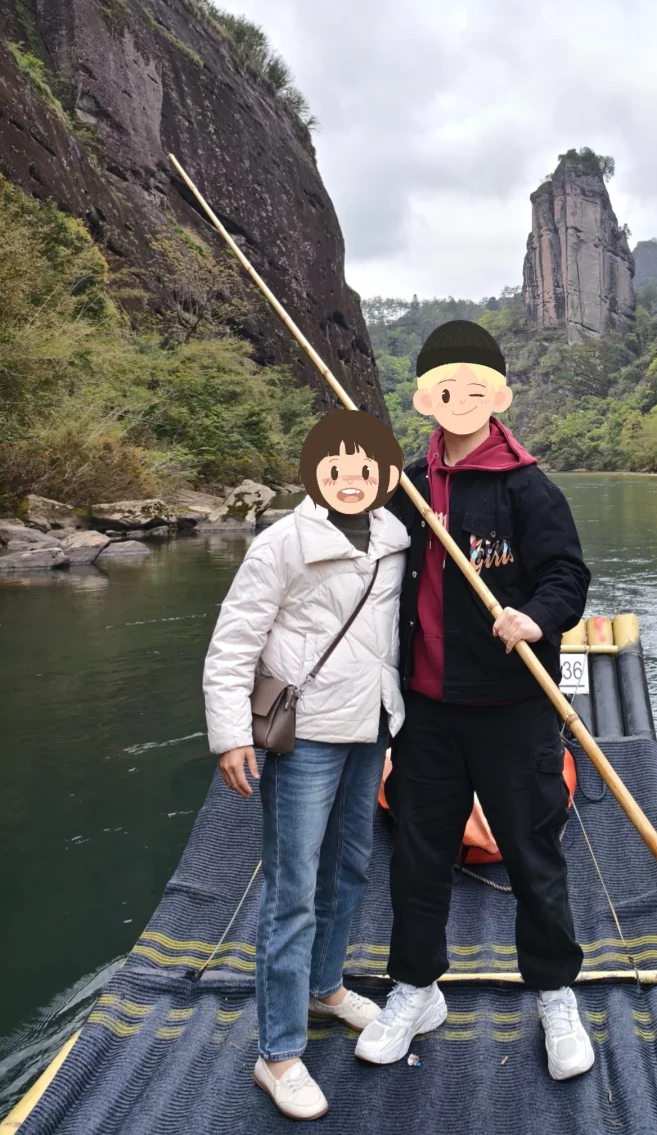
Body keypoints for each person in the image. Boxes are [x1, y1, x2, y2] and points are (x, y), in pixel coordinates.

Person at [356, 321, 595, 1081]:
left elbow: (567, 577)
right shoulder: (406, 488)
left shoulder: (528, 486)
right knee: (419, 855)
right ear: (424, 398)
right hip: (424, 709)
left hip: (512, 707)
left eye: (473, 385)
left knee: (532, 852)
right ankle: (416, 988)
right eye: (444, 385)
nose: (458, 398)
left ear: (497, 396)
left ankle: (554, 992)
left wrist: (536, 617)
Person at [203, 409, 410, 1121]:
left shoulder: (396, 537)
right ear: (313, 474)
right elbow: (234, 642)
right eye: (336, 469)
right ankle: (279, 1054)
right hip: (308, 734)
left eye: (364, 469)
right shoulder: (282, 543)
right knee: (291, 889)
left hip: (371, 725)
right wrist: (231, 736)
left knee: (350, 868)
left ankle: (325, 989)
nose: (351, 481)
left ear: (386, 475)